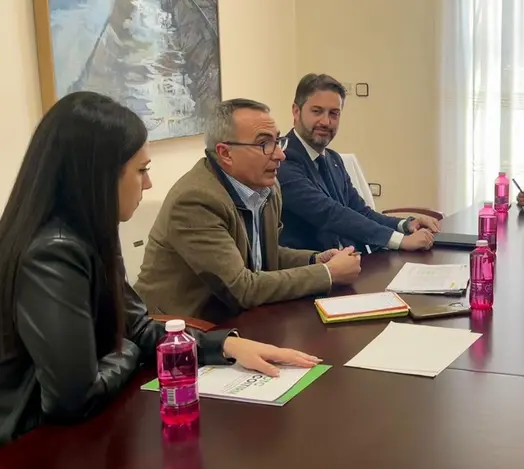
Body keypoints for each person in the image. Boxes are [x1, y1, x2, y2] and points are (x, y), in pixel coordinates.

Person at [0, 92, 321, 444]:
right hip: (32, 452)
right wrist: (134, 351)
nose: (149, 184)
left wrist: (226, 346)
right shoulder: (54, 253)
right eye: (141, 171)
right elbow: (74, 399)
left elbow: (138, 325)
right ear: (98, 176)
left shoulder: (91, 234)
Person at [134, 98, 362, 323]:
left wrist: (315, 260)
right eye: (264, 144)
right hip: (179, 334)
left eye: (278, 141)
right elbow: (241, 288)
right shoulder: (196, 200)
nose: (280, 155)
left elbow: (263, 254)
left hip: (239, 320)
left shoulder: (268, 186)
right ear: (225, 153)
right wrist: (328, 274)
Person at [278, 73, 437, 252]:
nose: (326, 121)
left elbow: (360, 212)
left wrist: (406, 225)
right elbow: (330, 214)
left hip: (353, 264)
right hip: (313, 272)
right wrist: (400, 241)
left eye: (334, 113)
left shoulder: (333, 159)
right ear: (296, 111)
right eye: (316, 111)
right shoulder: (281, 159)